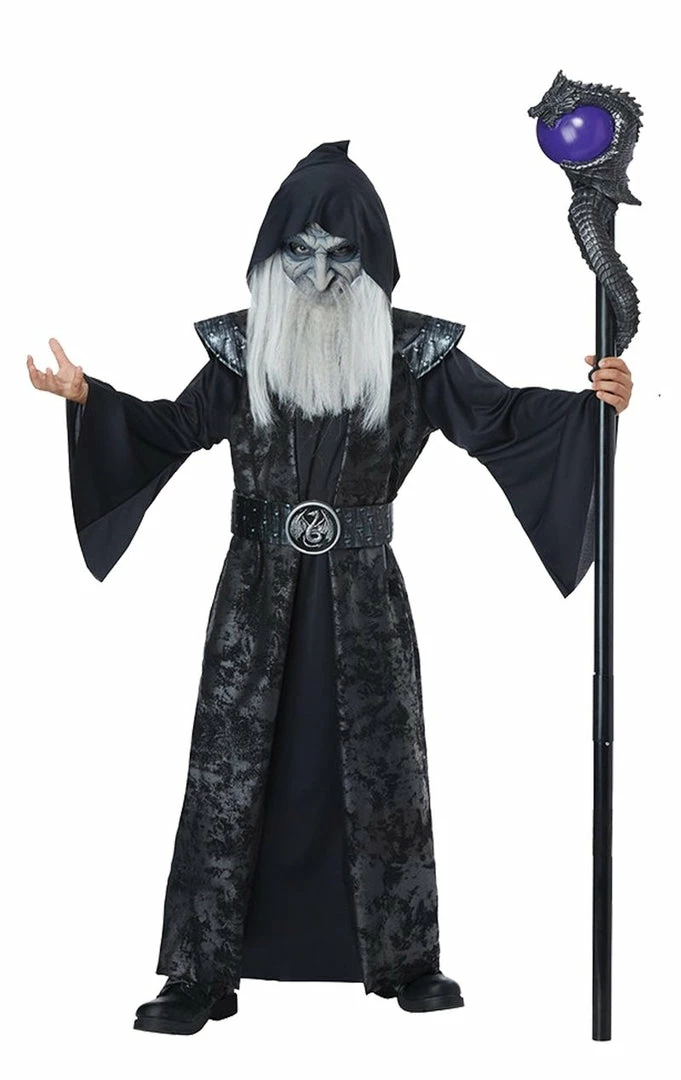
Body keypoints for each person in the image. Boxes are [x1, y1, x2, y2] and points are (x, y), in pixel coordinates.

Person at [27, 140, 633, 1036]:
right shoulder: (242, 350)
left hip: (364, 601)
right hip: (254, 598)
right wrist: (91, 400)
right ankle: (200, 972)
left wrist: (592, 404)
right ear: (271, 256)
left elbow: (502, 421)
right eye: (300, 253)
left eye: (340, 255)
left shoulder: (414, 353)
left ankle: (404, 959)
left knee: (380, 766)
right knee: (233, 770)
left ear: (371, 259)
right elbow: (172, 429)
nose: (318, 276)